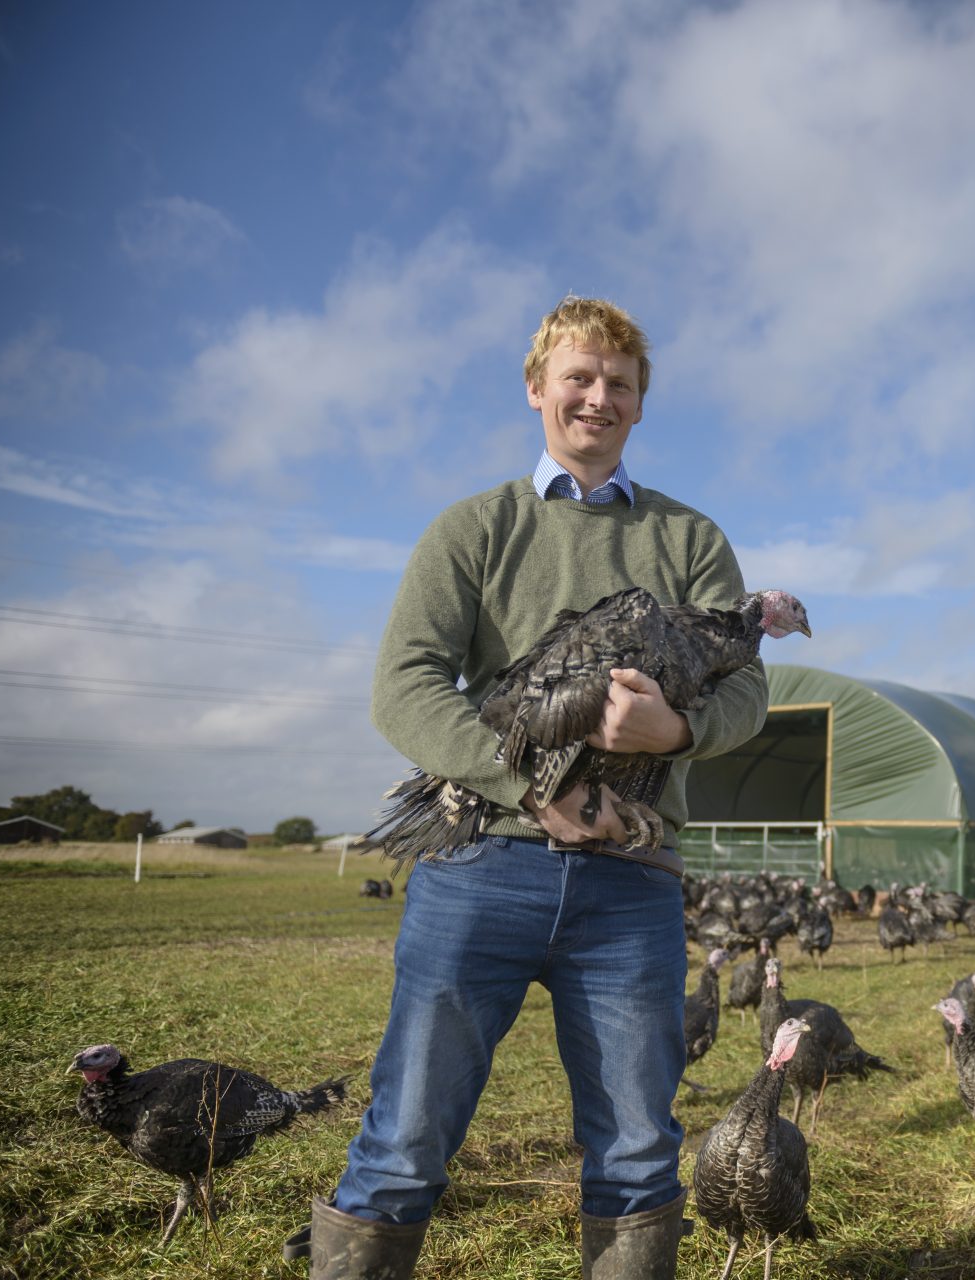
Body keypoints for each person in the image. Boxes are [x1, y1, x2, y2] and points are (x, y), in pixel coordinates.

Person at [291, 297, 769, 1279]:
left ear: (642, 405)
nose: (599, 397)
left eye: (620, 384)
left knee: (637, 1148)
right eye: (580, 378)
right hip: (481, 866)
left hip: (631, 879)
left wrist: (676, 729)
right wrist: (526, 783)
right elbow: (405, 680)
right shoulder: (475, 527)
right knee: (408, 1131)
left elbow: (749, 684)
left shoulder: (691, 538)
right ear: (537, 387)